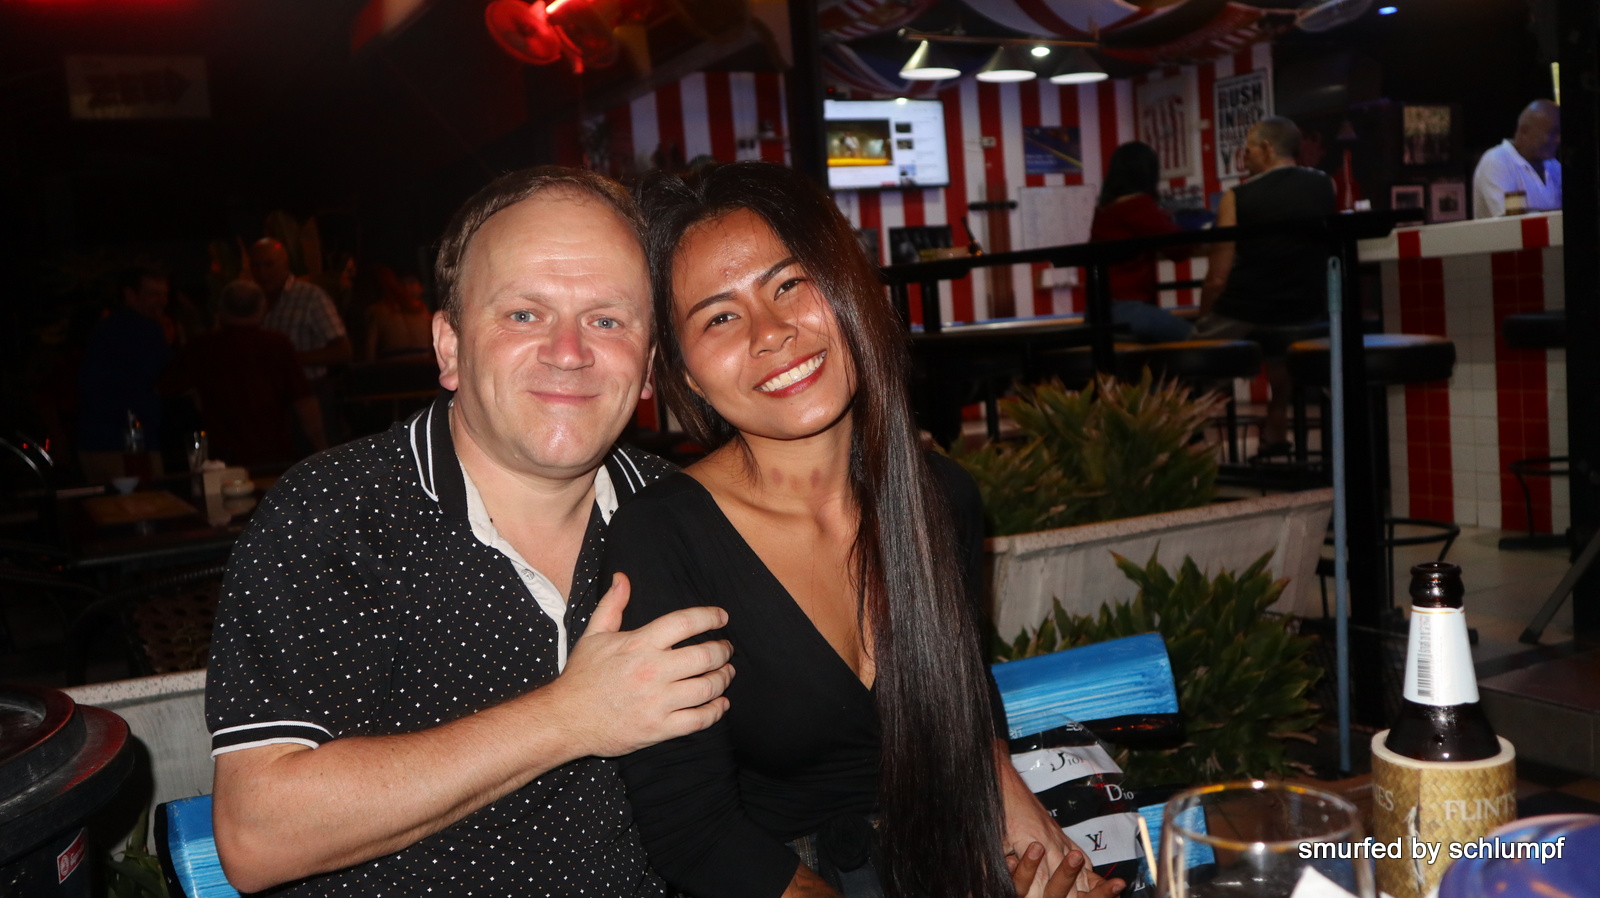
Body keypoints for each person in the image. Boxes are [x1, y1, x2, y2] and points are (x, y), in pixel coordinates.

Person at [205, 167, 736, 896]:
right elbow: (258, 835)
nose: (569, 351)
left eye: (607, 320)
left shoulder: (687, 512)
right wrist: (570, 716)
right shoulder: (335, 513)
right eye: (524, 314)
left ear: (647, 367)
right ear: (449, 347)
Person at [603, 161, 1123, 898]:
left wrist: (1020, 817)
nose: (772, 332)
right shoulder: (662, 536)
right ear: (685, 373)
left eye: (790, 284)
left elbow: (960, 697)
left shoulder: (939, 496)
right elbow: (693, 829)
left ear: (854, 287)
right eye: (719, 317)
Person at [1198, 117, 1336, 455]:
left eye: (1247, 150)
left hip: (1246, 310)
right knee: (1281, 345)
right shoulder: (1325, 185)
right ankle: (1276, 423)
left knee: (1191, 363)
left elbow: (1218, 277)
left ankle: (1188, 442)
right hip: (1304, 312)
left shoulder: (1237, 197)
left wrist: (1204, 318)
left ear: (1266, 148)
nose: (1244, 158)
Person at [167, 280, 327, 466]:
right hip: (273, 452)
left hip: (222, 455)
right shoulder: (277, 345)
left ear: (221, 310)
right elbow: (305, 404)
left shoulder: (202, 347)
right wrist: (322, 448)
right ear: (263, 309)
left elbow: (168, 387)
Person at [1090, 141, 1195, 344]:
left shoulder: (1104, 210)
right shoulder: (1138, 205)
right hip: (1128, 310)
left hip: (1098, 309)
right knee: (1199, 339)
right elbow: (1180, 249)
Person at [76, 265, 171, 483]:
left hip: (95, 444)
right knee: (148, 501)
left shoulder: (105, 330)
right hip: (130, 447)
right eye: (154, 294)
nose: (162, 301)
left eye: (164, 294)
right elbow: (166, 379)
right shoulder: (146, 330)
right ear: (130, 294)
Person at [249, 237, 354, 381]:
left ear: (285, 264)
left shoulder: (311, 297)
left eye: (269, 264)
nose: (262, 272)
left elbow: (343, 351)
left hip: (305, 387)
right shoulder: (250, 300)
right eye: (255, 265)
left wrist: (291, 359)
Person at [1472, 100, 1561, 218]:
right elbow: (1510, 220)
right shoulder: (1496, 161)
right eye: (1552, 132)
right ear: (1525, 131)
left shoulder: (1554, 165)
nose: (1558, 139)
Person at [363, 269, 434, 362]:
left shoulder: (375, 312)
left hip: (393, 369)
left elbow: (369, 356)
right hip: (425, 367)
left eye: (412, 282)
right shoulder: (421, 310)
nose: (408, 287)